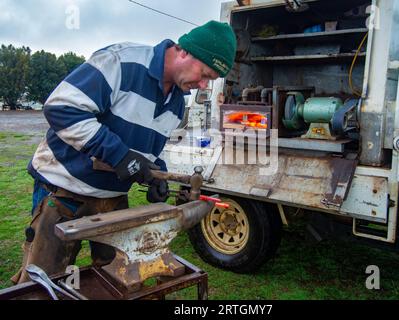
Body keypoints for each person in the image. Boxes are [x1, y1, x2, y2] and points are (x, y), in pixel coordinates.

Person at [11, 20, 237, 284]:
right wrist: (118, 155)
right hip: (63, 187)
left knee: (118, 280)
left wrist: (156, 175)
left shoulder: (176, 102)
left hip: (112, 198)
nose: (204, 85)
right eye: (205, 74)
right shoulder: (121, 62)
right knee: (43, 282)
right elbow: (62, 108)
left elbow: (147, 150)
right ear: (185, 51)